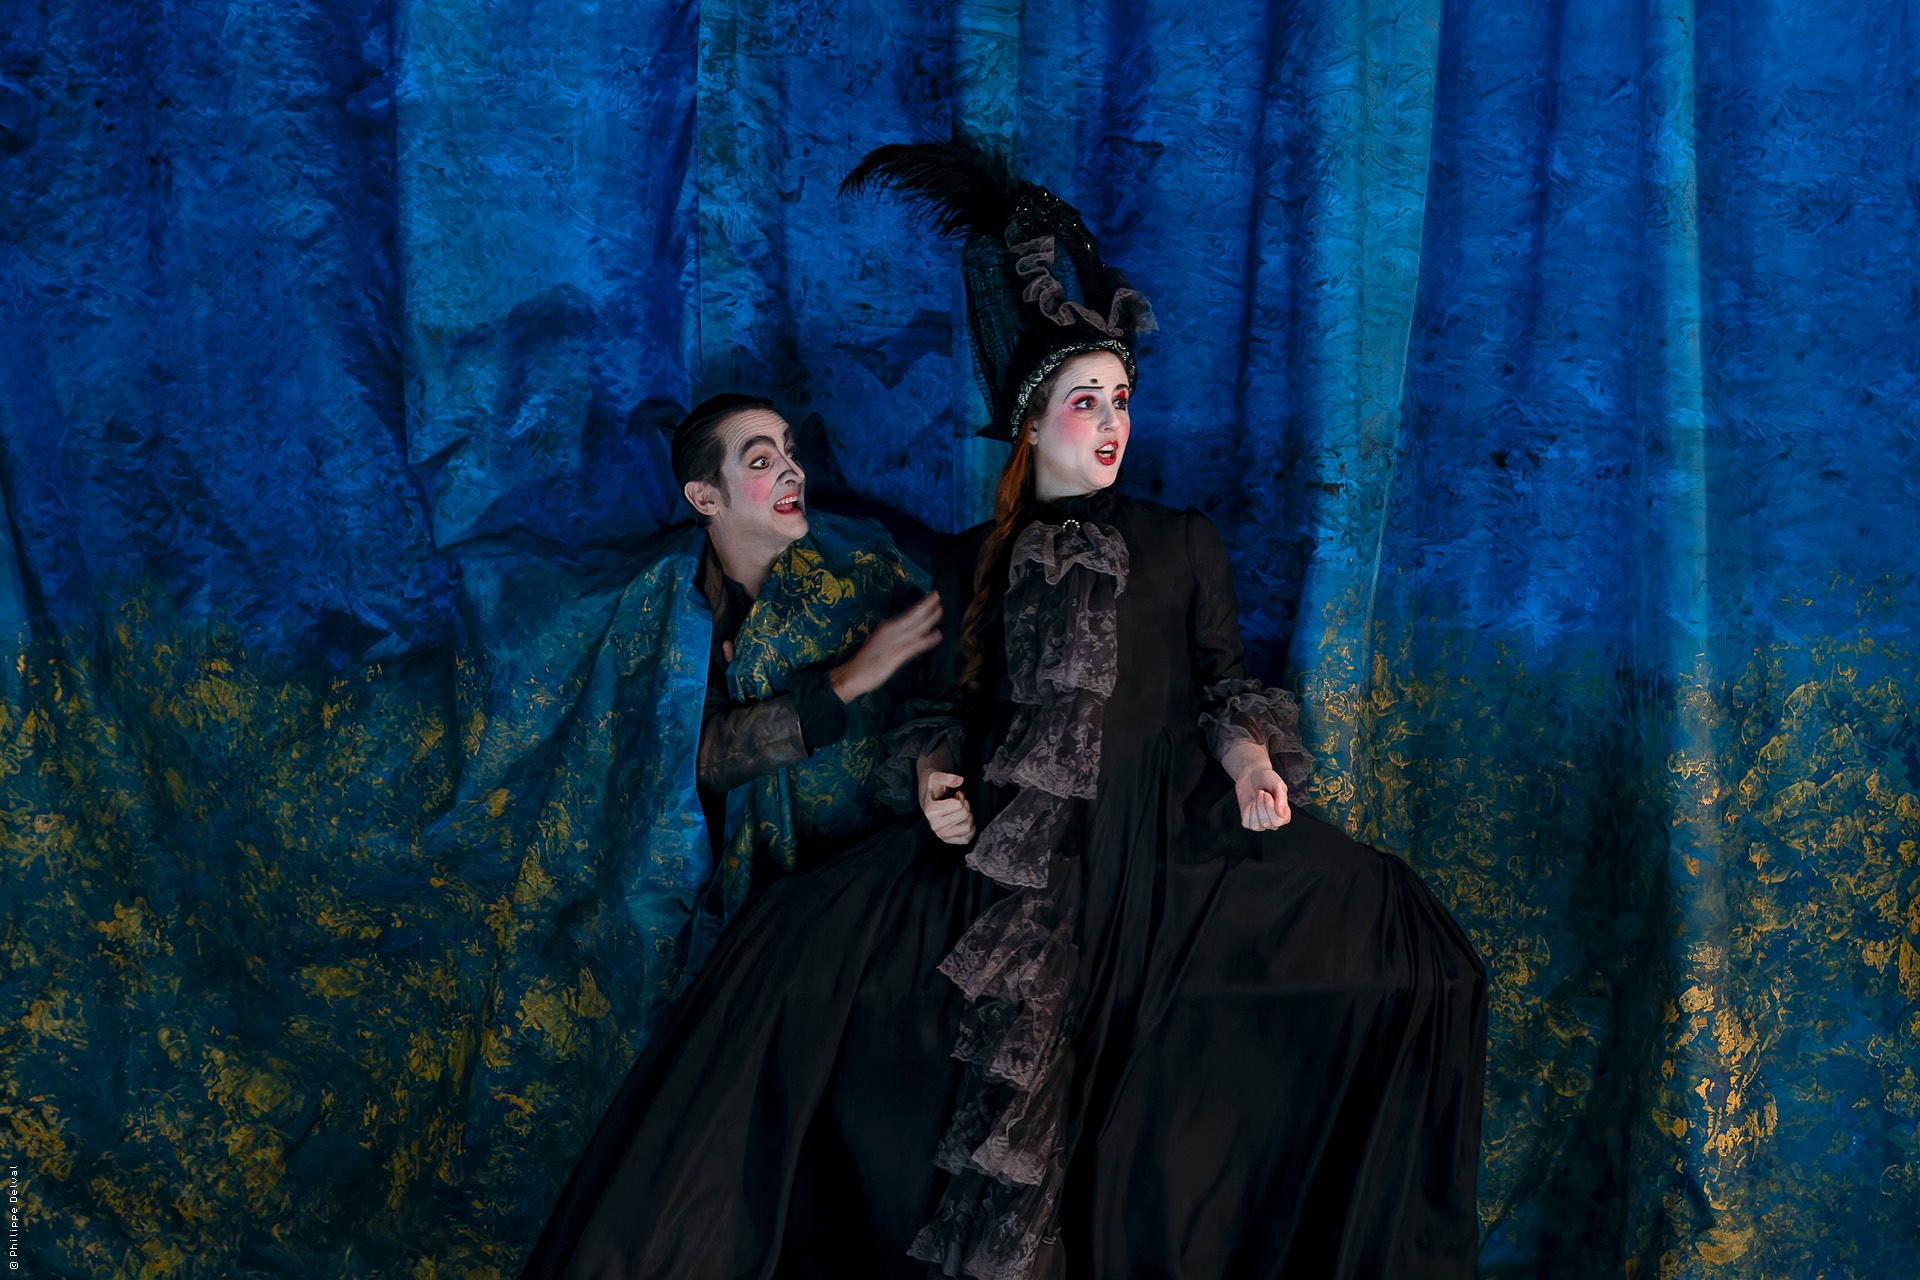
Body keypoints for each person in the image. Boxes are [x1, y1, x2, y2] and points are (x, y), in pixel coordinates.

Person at [521, 139, 1486, 1280]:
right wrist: (935, 778)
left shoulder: (1182, 542)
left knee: (1412, 956)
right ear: (1032, 423)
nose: (1112, 421)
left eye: (1121, 399)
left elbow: (1225, 688)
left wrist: (1249, 763)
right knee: (785, 951)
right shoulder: (973, 555)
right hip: (1008, 849)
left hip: (1159, 833)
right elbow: (949, 706)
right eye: (1085, 401)